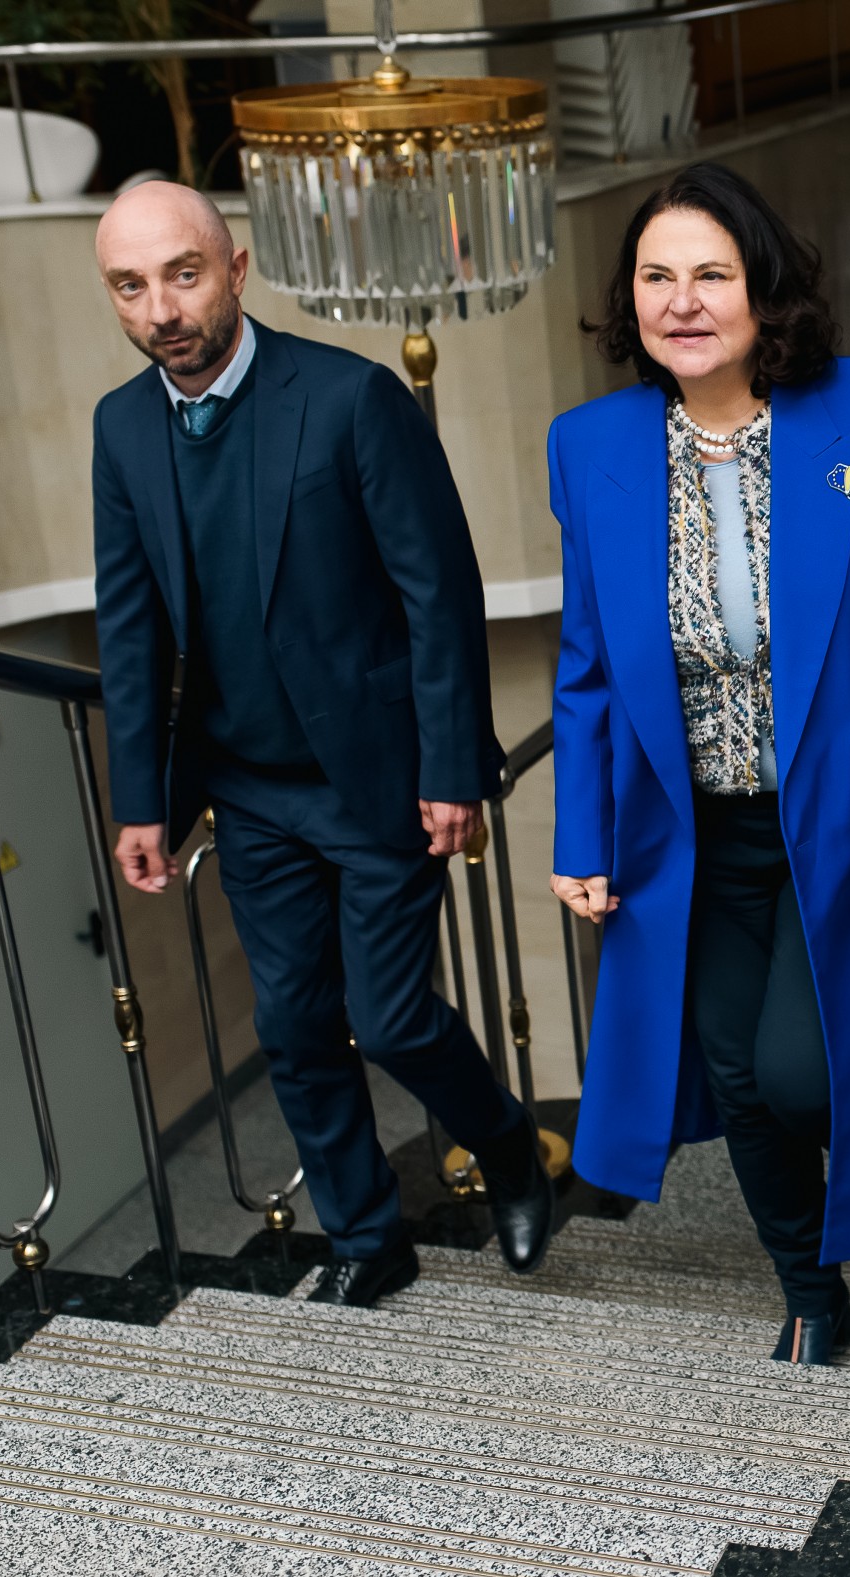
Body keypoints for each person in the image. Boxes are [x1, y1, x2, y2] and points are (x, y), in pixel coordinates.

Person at [546, 164, 850, 1364]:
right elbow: (587, 665)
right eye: (656, 276)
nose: (681, 301)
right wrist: (580, 836)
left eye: (711, 273)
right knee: (736, 1068)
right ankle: (809, 1286)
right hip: (693, 831)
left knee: (806, 1073)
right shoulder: (591, 445)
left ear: (763, 290)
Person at [89, 183, 553, 1308]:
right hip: (247, 789)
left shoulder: (350, 397)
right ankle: (365, 1235)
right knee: (294, 1022)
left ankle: (506, 1146)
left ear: (236, 269)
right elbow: (130, 623)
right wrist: (141, 796)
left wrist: (451, 765)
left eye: (183, 274)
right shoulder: (121, 426)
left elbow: (438, 592)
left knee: (390, 1016)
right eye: (131, 286)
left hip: (374, 779)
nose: (162, 309)